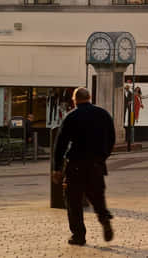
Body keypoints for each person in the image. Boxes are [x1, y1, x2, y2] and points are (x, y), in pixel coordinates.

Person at [52, 87, 115, 246]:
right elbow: (111, 139)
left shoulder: (71, 117)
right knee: (97, 197)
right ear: (90, 97)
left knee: (73, 201)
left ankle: (78, 235)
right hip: (96, 165)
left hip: (76, 165)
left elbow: (60, 144)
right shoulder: (103, 114)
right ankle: (104, 219)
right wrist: (102, 157)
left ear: (74, 100)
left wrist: (57, 168)